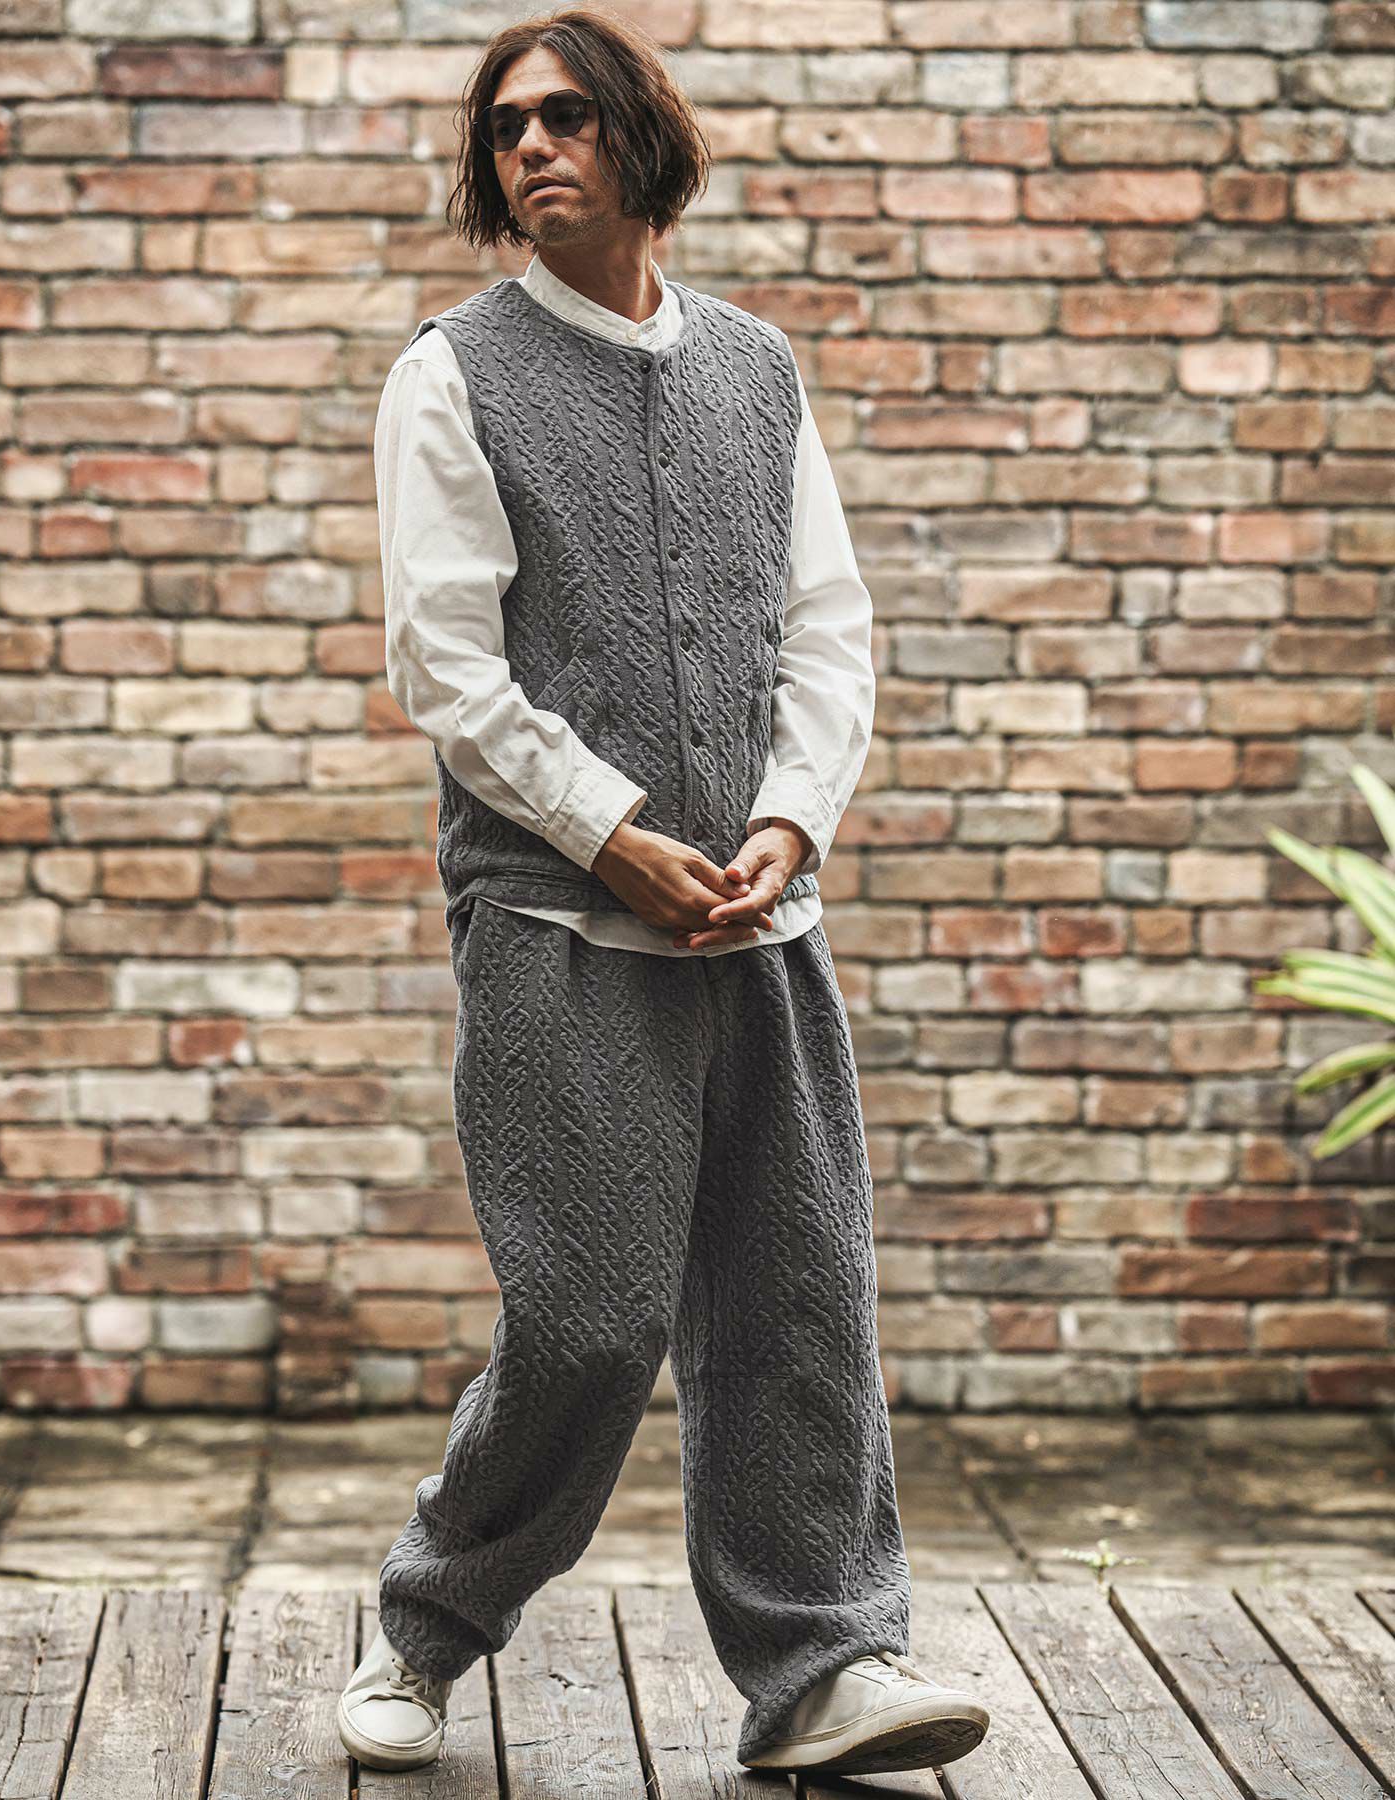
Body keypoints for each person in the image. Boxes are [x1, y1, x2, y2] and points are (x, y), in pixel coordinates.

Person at [337, 5, 991, 1780]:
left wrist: (790, 825)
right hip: (558, 929)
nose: (531, 147)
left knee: (797, 1300)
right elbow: (448, 669)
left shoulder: (757, 372)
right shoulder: (452, 375)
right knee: (587, 1320)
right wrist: (615, 831)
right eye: (506, 128)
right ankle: (425, 1629)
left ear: (642, 139)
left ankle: (823, 1671)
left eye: (566, 116)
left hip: (761, 930)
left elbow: (828, 631)